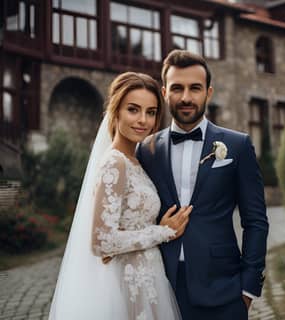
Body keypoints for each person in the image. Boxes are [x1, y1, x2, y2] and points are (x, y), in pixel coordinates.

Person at [137, 50, 269, 320]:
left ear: (208, 92)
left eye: (194, 88)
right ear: (164, 92)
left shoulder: (238, 145)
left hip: (225, 289)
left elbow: (255, 220)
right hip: (161, 286)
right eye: (177, 88)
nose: (186, 97)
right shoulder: (146, 149)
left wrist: (248, 288)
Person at [49, 72, 193, 320]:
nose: (143, 120)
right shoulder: (114, 163)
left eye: (150, 112)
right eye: (133, 110)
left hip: (148, 276)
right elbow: (101, 242)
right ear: (116, 111)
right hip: (128, 283)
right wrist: (164, 231)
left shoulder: (134, 161)